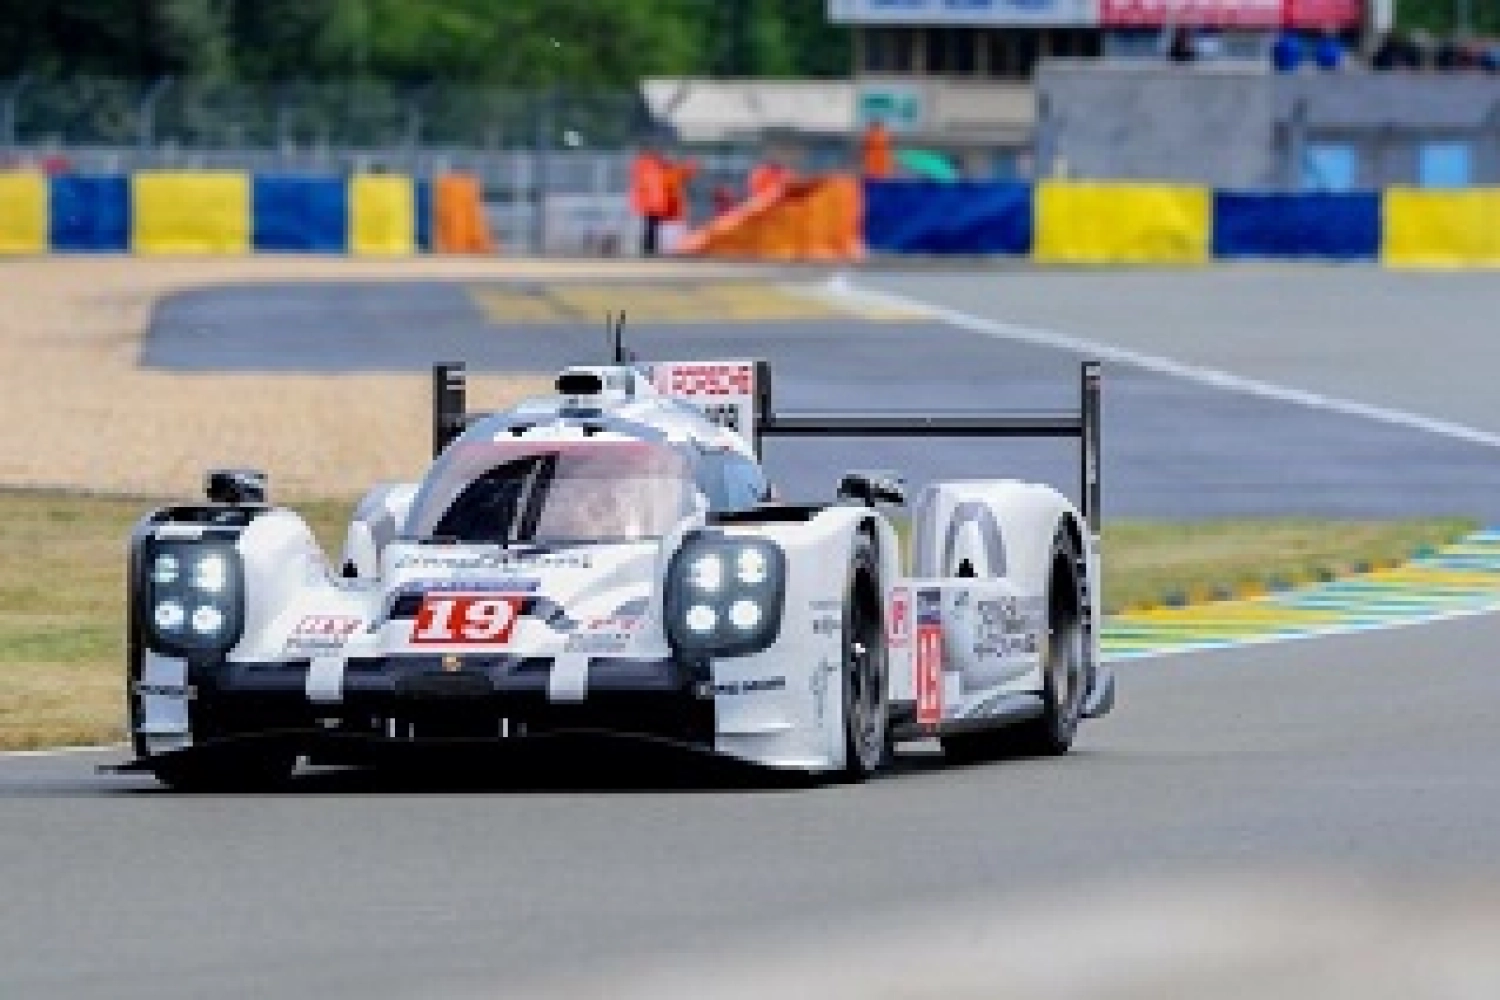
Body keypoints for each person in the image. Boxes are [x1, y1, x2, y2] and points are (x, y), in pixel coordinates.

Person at [630, 146, 670, 255]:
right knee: (650, 228)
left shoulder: (648, 167)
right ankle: (649, 249)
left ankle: (649, 249)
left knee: (651, 228)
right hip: (651, 204)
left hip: (652, 204)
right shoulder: (650, 168)